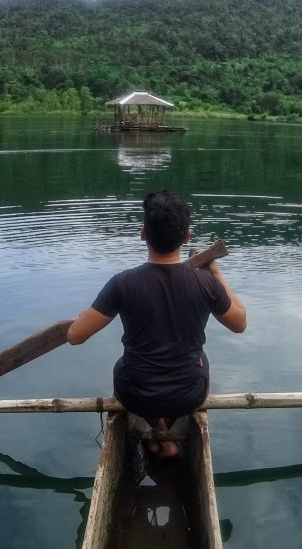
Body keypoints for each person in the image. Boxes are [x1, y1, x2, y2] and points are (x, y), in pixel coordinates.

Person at [66, 190, 246, 458]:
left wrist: (87, 315)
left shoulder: (122, 284)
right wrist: (216, 272)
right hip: (189, 395)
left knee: (122, 365)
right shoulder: (207, 283)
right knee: (202, 360)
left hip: (136, 396)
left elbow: (74, 335)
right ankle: (168, 434)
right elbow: (240, 323)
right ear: (186, 237)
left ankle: (157, 429)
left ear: (143, 234)